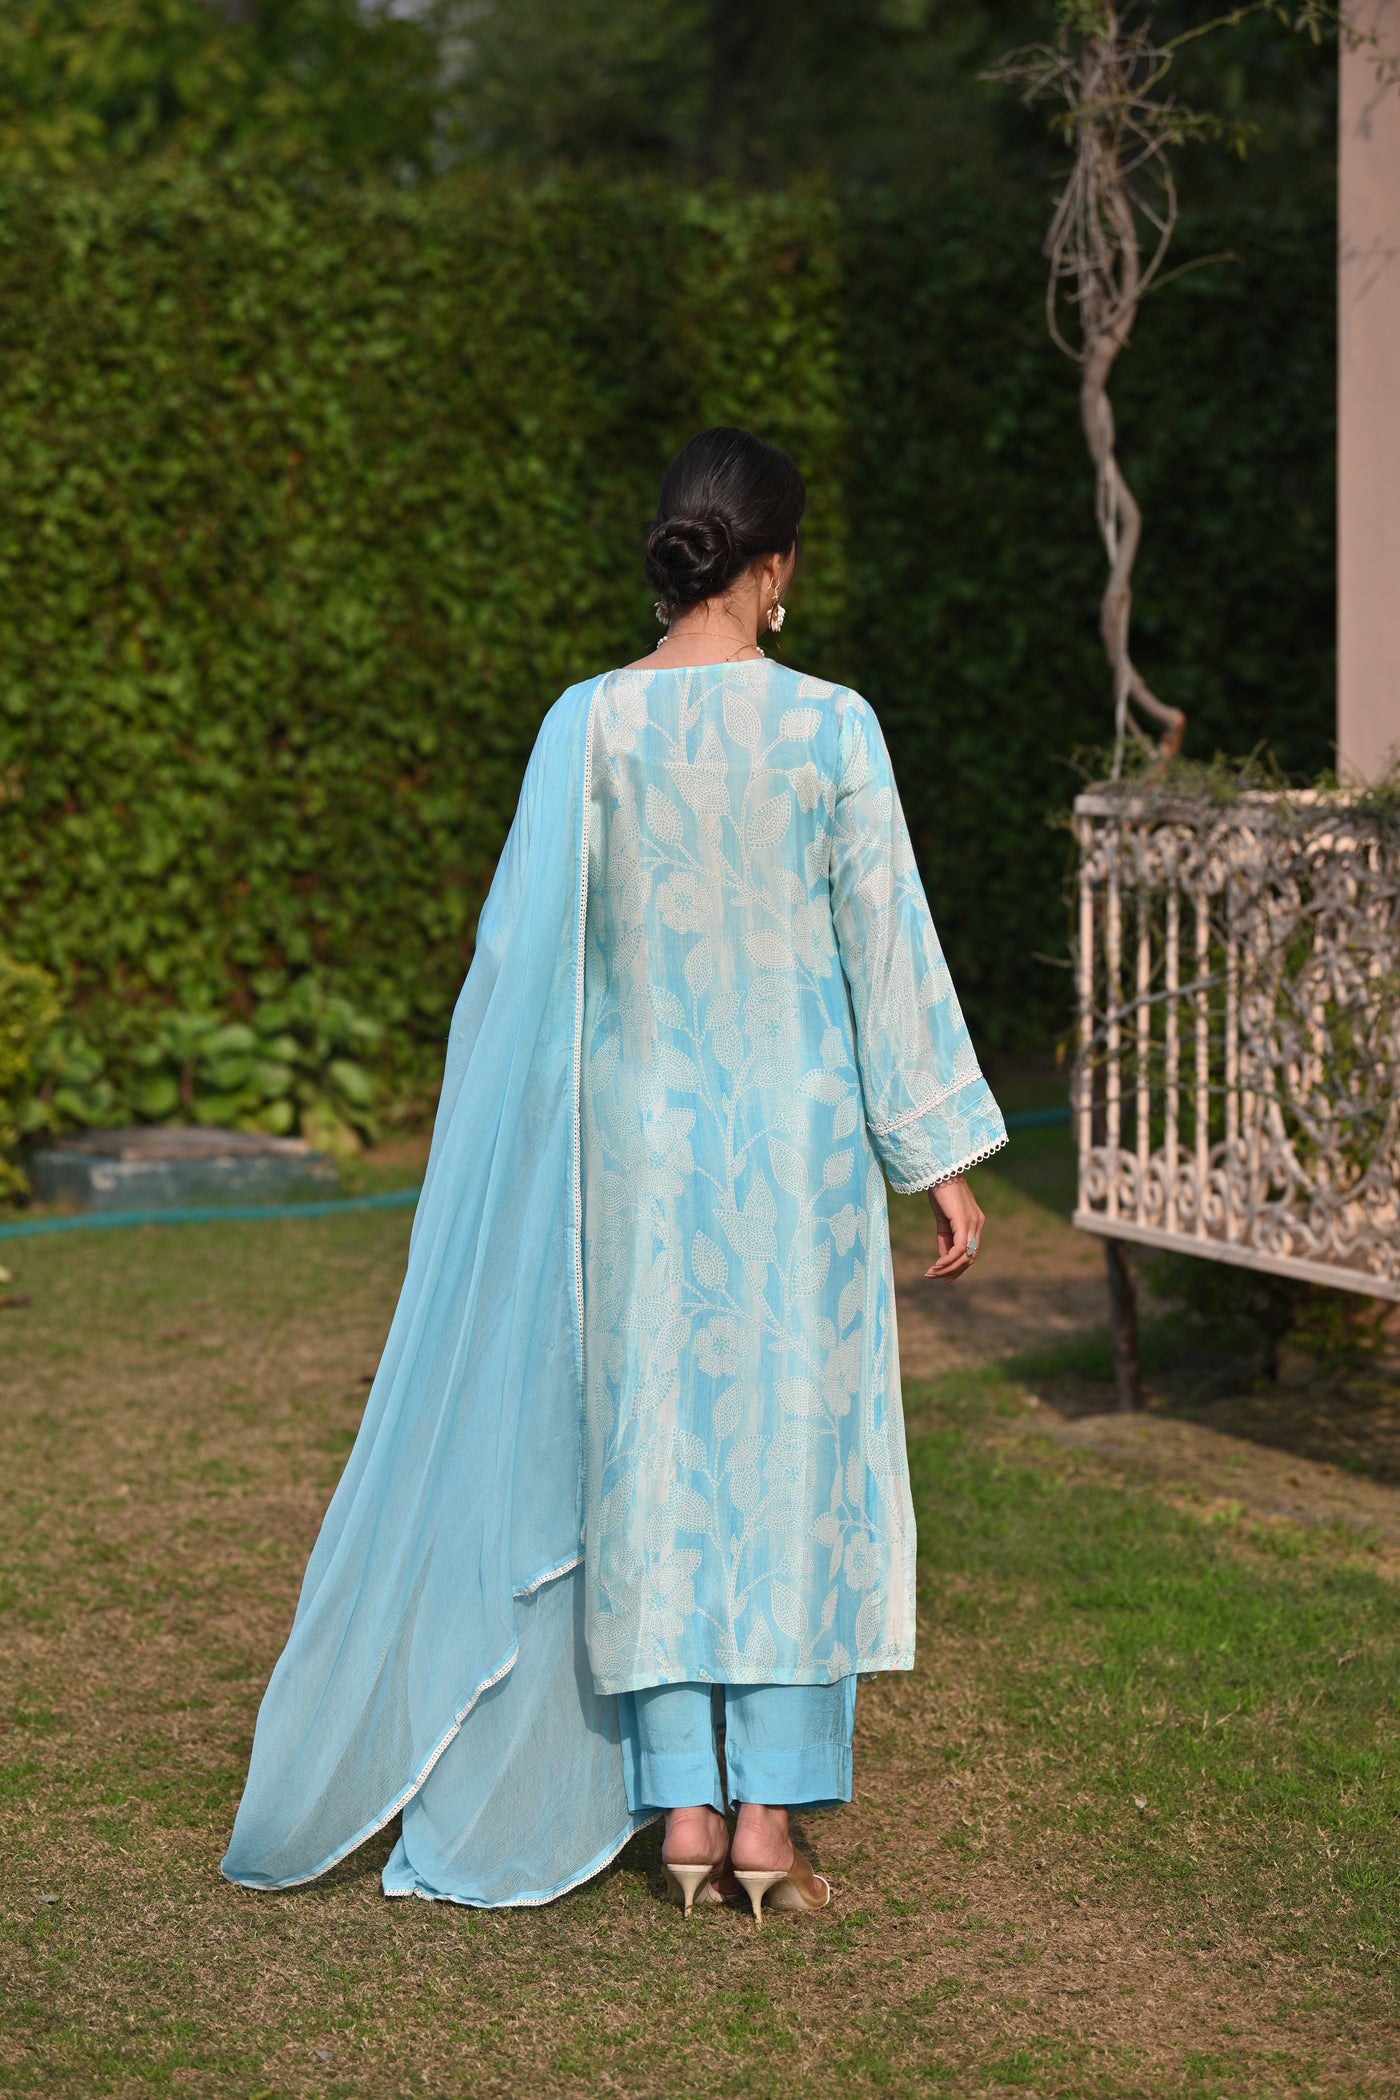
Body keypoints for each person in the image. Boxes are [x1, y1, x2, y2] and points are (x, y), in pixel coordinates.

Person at [222, 427, 1005, 1924]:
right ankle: (769, 1821)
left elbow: (524, 960)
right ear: (776, 566)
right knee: (789, 1457)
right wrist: (939, 1158)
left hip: (639, 1149)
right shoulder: (832, 728)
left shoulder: (585, 726)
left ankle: (686, 1811)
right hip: (797, 1150)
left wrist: (520, 1149)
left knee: (657, 1455)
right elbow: (886, 943)